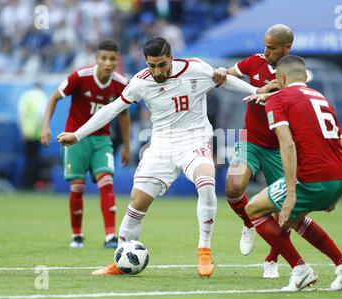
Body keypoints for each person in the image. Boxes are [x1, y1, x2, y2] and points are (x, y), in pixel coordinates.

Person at [57, 37, 264, 277]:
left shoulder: (195, 68)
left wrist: (258, 92)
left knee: (206, 182)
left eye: (162, 65)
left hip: (195, 140)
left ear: (172, 57)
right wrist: (78, 134)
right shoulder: (140, 82)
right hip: (161, 146)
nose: (157, 71)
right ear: (146, 62)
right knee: (137, 203)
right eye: (152, 65)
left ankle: (204, 251)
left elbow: (225, 80)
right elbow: (111, 110)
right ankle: (123, 260)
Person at [243, 55, 342, 291]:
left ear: (280, 78)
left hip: (314, 178)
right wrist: (337, 192)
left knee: (253, 209)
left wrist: (290, 193)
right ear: (306, 76)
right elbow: (341, 144)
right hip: (339, 178)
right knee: (294, 218)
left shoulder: (278, 101)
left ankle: (300, 270)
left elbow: (287, 145)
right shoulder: (321, 98)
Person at [212, 24, 293, 278]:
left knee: (284, 214)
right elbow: (232, 74)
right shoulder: (255, 62)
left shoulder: (295, 73)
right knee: (233, 186)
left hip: (279, 148)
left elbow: (285, 95)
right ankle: (249, 222)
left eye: (271, 47)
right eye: (265, 45)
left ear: (286, 48)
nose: (265, 51)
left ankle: (272, 259)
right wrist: (222, 72)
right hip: (251, 141)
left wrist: (267, 92)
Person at [40, 39, 131, 249]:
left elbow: (124, 114)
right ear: (96, 59)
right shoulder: (79, 77)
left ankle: (110, 236)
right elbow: (54, 97)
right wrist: (46, 126)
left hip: (102, 140)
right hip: (75, 139)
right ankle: (77, 235)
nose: (108, 63)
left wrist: (126, 146)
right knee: (77, 187)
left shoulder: (121, 83)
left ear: (118, 61)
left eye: (112, 59)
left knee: (107, 182)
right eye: (104, 58)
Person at [17, 81, 47, 190]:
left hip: (26, 132)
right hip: (36, 132)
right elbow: (42, 115)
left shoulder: (25, 96)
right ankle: (31, 184)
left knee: (28, 159)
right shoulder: (42, 96)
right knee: (34, 159)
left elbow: (20, 114)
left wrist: (22, 131)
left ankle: (25, 183)